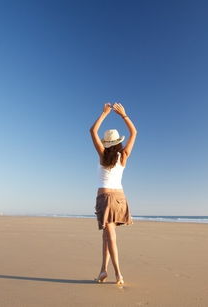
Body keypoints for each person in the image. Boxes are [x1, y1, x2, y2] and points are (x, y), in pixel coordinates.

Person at [89, 102, 137, 285]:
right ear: (118, 142)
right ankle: (103, 270)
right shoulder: (123, 155)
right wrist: (124, 115)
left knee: (111, 238)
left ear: (106, 143)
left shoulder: (102, 155)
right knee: (107, 236)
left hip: (106, 199)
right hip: (120, 199)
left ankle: (118, 274)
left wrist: (104, 114)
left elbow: (92, 131)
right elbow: (134, 133)